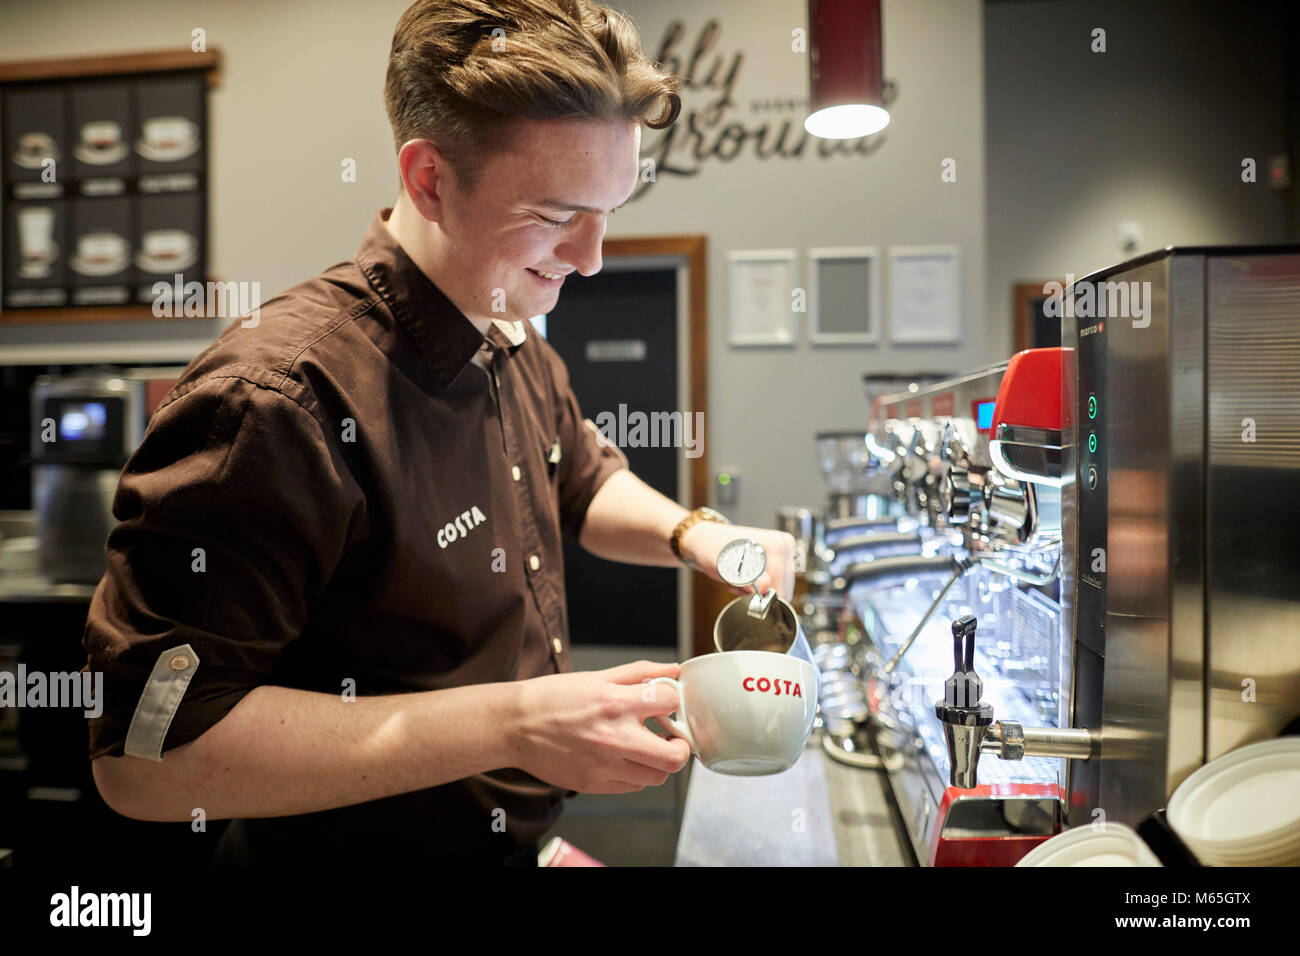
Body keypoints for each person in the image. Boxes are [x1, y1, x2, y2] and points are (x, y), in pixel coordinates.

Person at [84, 0, 797, 866]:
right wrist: (518, 724)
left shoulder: (513, 328)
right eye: (556, 213)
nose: (593, 257)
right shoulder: (273, 403)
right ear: (428, 179)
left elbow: (582, 478)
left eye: (611, 208)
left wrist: (703, 538)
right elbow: (146, 762)